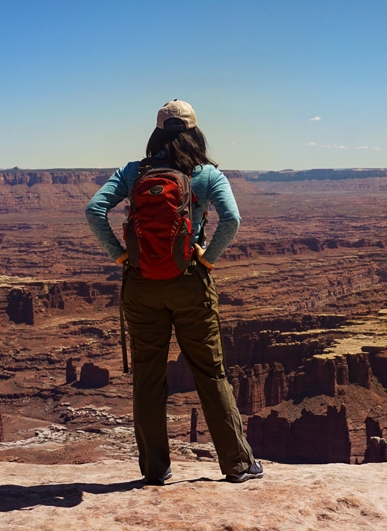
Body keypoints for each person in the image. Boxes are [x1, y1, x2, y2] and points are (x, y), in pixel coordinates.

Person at [85, 99, 263, 485]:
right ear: (195, 133)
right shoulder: (206, 176)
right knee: (210, 372)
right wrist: (208, 259)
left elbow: (93, 210)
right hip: (190, 283)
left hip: (141, 284)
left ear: (157, 132)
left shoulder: (134, 172)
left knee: (148, 377)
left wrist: (121, 256)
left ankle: (155, 469)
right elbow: (232, 219)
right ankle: (237, 464)